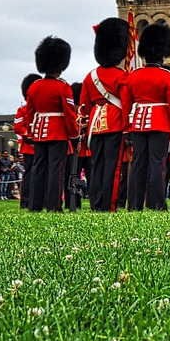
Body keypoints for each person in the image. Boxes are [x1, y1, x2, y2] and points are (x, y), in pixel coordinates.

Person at [121, 24, 170, 211]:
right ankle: (156, 204)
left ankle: (134, 205)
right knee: (157, 165)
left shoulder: (133, 76)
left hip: (137, 124)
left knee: (138, 165)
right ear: (163, 53)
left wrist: (126, 128)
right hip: (160, 124)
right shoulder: (167, 76)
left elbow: (126, 106)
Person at [79, 18, 130, 212]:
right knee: (113, 169)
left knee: (96, 166)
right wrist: (128, 130)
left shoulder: (90, 76)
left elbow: (84, 106)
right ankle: (108, 205)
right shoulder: (122, 76)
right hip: (116, 124)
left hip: (95, 125)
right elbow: (126, 106)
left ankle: (96, 203)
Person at [25, 36, 78, 212]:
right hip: (58, 132)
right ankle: (53, 205)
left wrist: (30, 133)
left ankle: (34, 205)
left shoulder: (34, 86)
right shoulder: (62, 87)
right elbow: (69, 115)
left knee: (38, 169)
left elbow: (29, 114)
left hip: (39, 131)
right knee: (56, 170)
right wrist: (74, 135)